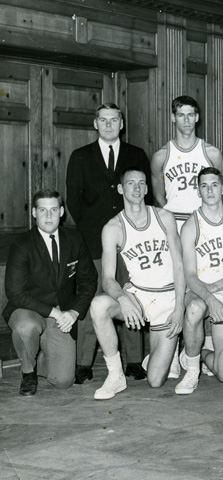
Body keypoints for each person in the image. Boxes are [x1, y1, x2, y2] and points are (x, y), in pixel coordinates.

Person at [66, 103, 151, 384]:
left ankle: (135, 360)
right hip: (92, 242)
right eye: (103, 120)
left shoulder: (136, 155)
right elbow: (74, 203)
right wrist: (94, 231)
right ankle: (84, 363)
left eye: (114, 120)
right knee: (94, 298)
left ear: (122, 123)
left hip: (130, 240)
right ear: (95, 124)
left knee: (131, 294)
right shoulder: (80, 157)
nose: (109, 125)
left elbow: (143, 197)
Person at [90, 167, 186, 399]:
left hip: (167, 297)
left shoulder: (164, 217)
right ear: (121, 188)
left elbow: (179, 266)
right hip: (139, 296)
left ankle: (169, 351)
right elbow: (108, 279)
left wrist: (179, 307)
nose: (136, 188)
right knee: (98, 306)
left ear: (146, 188)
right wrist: (123, 298)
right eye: (131, 183)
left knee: (155, 381)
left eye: (142, 183)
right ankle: (116, 375)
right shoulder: (112, 228)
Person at [4, 190, 97, 396]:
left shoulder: (75, 238)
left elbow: (89, 280)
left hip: (62, 315)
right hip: (28, 310)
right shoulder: (22, 245)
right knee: (26, 327)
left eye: (53, 210)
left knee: (64, 381)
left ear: (62, 212)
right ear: (34, 213)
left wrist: (74, 312)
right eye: (43, 210)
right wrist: (54, 313)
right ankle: (28, 371)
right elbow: (15, 293)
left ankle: (40, 354)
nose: (48, 216)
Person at [176, 167, 223, 394]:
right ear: (198, 191)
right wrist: (210, 297)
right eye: (204, 186)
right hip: (200, 292)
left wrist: (217, 289)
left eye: (214, 185)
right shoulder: (190, 225)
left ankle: (199, 353)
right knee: (194, 309)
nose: (210, 190)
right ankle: (192, 371)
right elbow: (190, 276)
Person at [151, 95, 222, 228]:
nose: (186, 120)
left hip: (204, 219)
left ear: (197, 117)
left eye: (190, 115)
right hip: (174, 220)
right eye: (181, 115)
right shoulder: (161, 156)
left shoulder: (212, 154)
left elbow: (222, 189)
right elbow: (158, 194)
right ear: (173, 118)